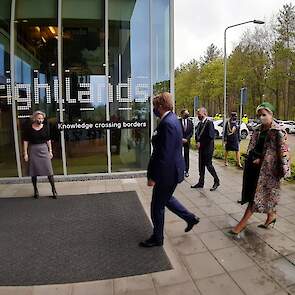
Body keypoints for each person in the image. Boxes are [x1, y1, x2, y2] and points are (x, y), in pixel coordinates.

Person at [139, 92, 199, 248]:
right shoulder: (172, 120)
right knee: (167, 199)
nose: (153, 109)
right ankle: (190, 218)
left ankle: (157, 238)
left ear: (159, 106)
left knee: (156, 206)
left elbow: (163, 155)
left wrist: (153, 176)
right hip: (172, 171)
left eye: (154, 106)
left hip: (167, 173)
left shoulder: (167, 123)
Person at [228, 102, 290, 236]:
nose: (261, 117)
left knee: (255, 198)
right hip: (255, 169)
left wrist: (282, 170)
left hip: (269, 172)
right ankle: (271, 216)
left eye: (264, 114)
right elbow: (253, 146)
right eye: (259, 115)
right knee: (260, 196)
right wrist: (250, 158)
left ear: (271, 115)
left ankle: (241, 224)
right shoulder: (258, 130)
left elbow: (283, 153)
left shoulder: (278, 132)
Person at [23, 111, 58, 199]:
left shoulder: (45, 127)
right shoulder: (29, 128)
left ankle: (54, 190)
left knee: (49, 171)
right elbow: (25, 141)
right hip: (33, 150)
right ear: (34, 118)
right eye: (39, 118)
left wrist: (50, 151)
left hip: (44, 149)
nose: (40, 120)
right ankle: (36, 190)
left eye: (42, 118)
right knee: (33, 172)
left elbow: (48, 140)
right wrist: (25, 153)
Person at [191, 107, 220, 191]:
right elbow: (197, 135)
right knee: (201, 165)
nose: (198, 116)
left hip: (208, 148)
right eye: (198, 114)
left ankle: (216, 181)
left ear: (205, 113)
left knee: (209, 165)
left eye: (199, 114)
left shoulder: (209, 123)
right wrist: (197, 141)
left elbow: (210, 137)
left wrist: (201, 143)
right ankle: (201, 182)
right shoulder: (200, 124)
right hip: (201, 148)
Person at [179, 109, 193, 177]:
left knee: (186, 156)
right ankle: (179, 170)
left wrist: (186, 139)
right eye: (185, 113)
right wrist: (181, 138)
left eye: (187, 113)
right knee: (179, 155)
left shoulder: (190, 122)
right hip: (179, 141)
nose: (187, 114)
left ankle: (186, 170)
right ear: (182, 114)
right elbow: (176, 131)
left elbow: (191, 132)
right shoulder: (177, 121)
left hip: (187, 141)